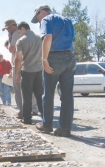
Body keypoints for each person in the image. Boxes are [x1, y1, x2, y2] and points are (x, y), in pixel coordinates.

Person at [31, 5, 76, 136]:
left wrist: (44, 59)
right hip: (70, 57)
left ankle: (47, 125)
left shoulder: (47, 19)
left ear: (42, 12)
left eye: (38, 17)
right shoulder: (67, 20)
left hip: (55, 57)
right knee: (67, 95)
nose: (39, 21)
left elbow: (48, 38)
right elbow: (72, 41)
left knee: (48, 93)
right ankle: (65, 128)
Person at [14, 21, 43, 124]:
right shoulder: (40, 38)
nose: (19, 34)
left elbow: (18, 58)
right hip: (39, 69)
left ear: (22, 29)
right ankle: (45, 117)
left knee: (27, 95)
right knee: (40, 94)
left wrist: (16, 73)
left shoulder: (21, 41)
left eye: (19, 31)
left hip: (27, 70)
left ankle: (27, 119)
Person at [3, 19, 23, 118]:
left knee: (18, 89)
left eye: (8, 28)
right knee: (26, 89)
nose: (7, 31)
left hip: (18, 64)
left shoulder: (15, 34)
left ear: (13, 26)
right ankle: (30, 110)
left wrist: (10, 39)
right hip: (25, 64)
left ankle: (21, 111)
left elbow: (11, 49)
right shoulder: (21, 33)